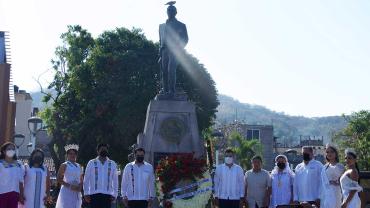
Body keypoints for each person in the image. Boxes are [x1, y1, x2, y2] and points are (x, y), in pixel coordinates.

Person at [159, 1, 188, 96]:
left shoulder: (181, 25)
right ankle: (165, 90)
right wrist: (160, 55)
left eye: (171, 11)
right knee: (164, 72)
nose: (169, 12)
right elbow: (160, 41)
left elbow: (185, 39)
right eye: (168, 10)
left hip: (174, 51)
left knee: (171, 70)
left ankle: (172, 91)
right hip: (164, 51)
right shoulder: (161, 26)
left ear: (175, 12)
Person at [83, 143, 118, 208]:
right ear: (98, 151)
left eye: (105, 150)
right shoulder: (91, 162)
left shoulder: (112, 163)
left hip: (107, 194)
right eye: (102, 149)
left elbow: (115, 180)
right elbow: (86, 179)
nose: (103, 151)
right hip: (94, 194)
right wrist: (86, 193)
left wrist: (115, 194)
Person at [0, 142, 24, 208]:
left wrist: (21, 195)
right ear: (4, 151)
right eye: (9, 149)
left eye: (13, 149)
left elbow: (21, 181)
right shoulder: (0, 163)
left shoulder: (19, 164)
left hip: (14, 194)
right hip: (2, 193)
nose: (11, 151)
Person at [320, 144, 345, 208]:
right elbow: (322, 182)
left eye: (331, 152)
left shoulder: (340, 166)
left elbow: (344, 181)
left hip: (336, 192)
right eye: (327, 152)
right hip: (326, 193)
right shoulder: (324, 167)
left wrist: (337, 182)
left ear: (335, 153)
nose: (329, 153)